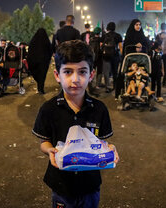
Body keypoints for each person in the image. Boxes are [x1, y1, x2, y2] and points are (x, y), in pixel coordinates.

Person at [32, 40, 119, 208]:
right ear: (57, 75)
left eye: (82, 71)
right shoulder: (49, 109)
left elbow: (102, 142)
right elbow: (44, 142)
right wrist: (49, 150)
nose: (75, 79)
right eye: (68, 72)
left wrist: (110, 148)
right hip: (61, 186)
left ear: (91, 75)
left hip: (90, 186)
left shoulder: (99, 109)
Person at [27, 28, 52, 94]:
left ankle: (40, 87)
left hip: (35, 61)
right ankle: (41, 88)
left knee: (37, 73)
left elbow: (30, 51)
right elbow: (50, 50)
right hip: (44, 61)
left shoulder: (33, 41)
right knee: (42, 75)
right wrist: (48, 58)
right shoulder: (46, 41)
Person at [101, 22, 123, 93]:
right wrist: (122, 55)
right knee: (115, 72)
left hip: (105, 56)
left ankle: (107, 87)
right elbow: (120, 47)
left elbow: (101, 45)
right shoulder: (118, 36)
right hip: (115, 56)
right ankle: (115, 86)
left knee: (106, 72)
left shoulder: (104, 35)